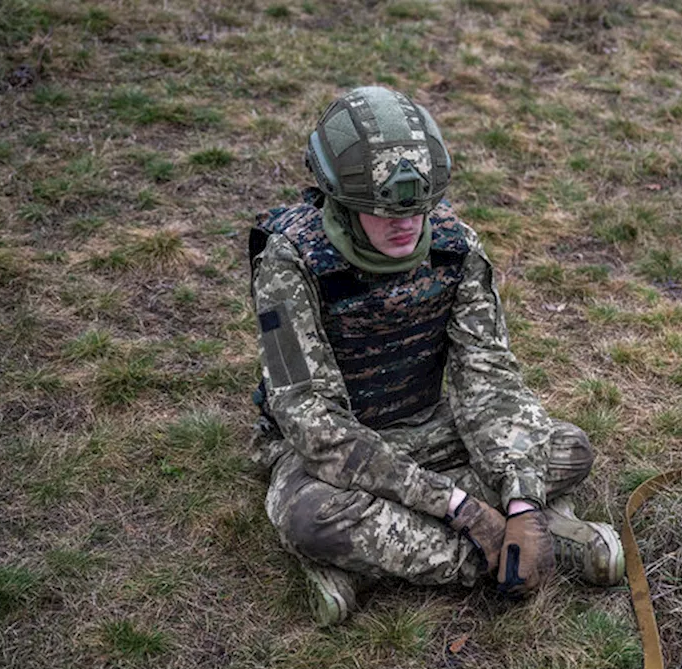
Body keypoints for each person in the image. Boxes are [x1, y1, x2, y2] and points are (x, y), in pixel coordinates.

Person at [247, 85, 624, 625]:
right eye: (383, 211)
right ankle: (526, 553)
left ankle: (383, 557)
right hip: (329, 457)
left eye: (420, 208)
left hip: (428, 425)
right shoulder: (290, 262)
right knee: (311, 518)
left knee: (567, 448)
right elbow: (312, 422)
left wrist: (520, 500)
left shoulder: (455, 248)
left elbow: (488, 377)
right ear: (342, 203)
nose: (407, 224)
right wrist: (463, 509)